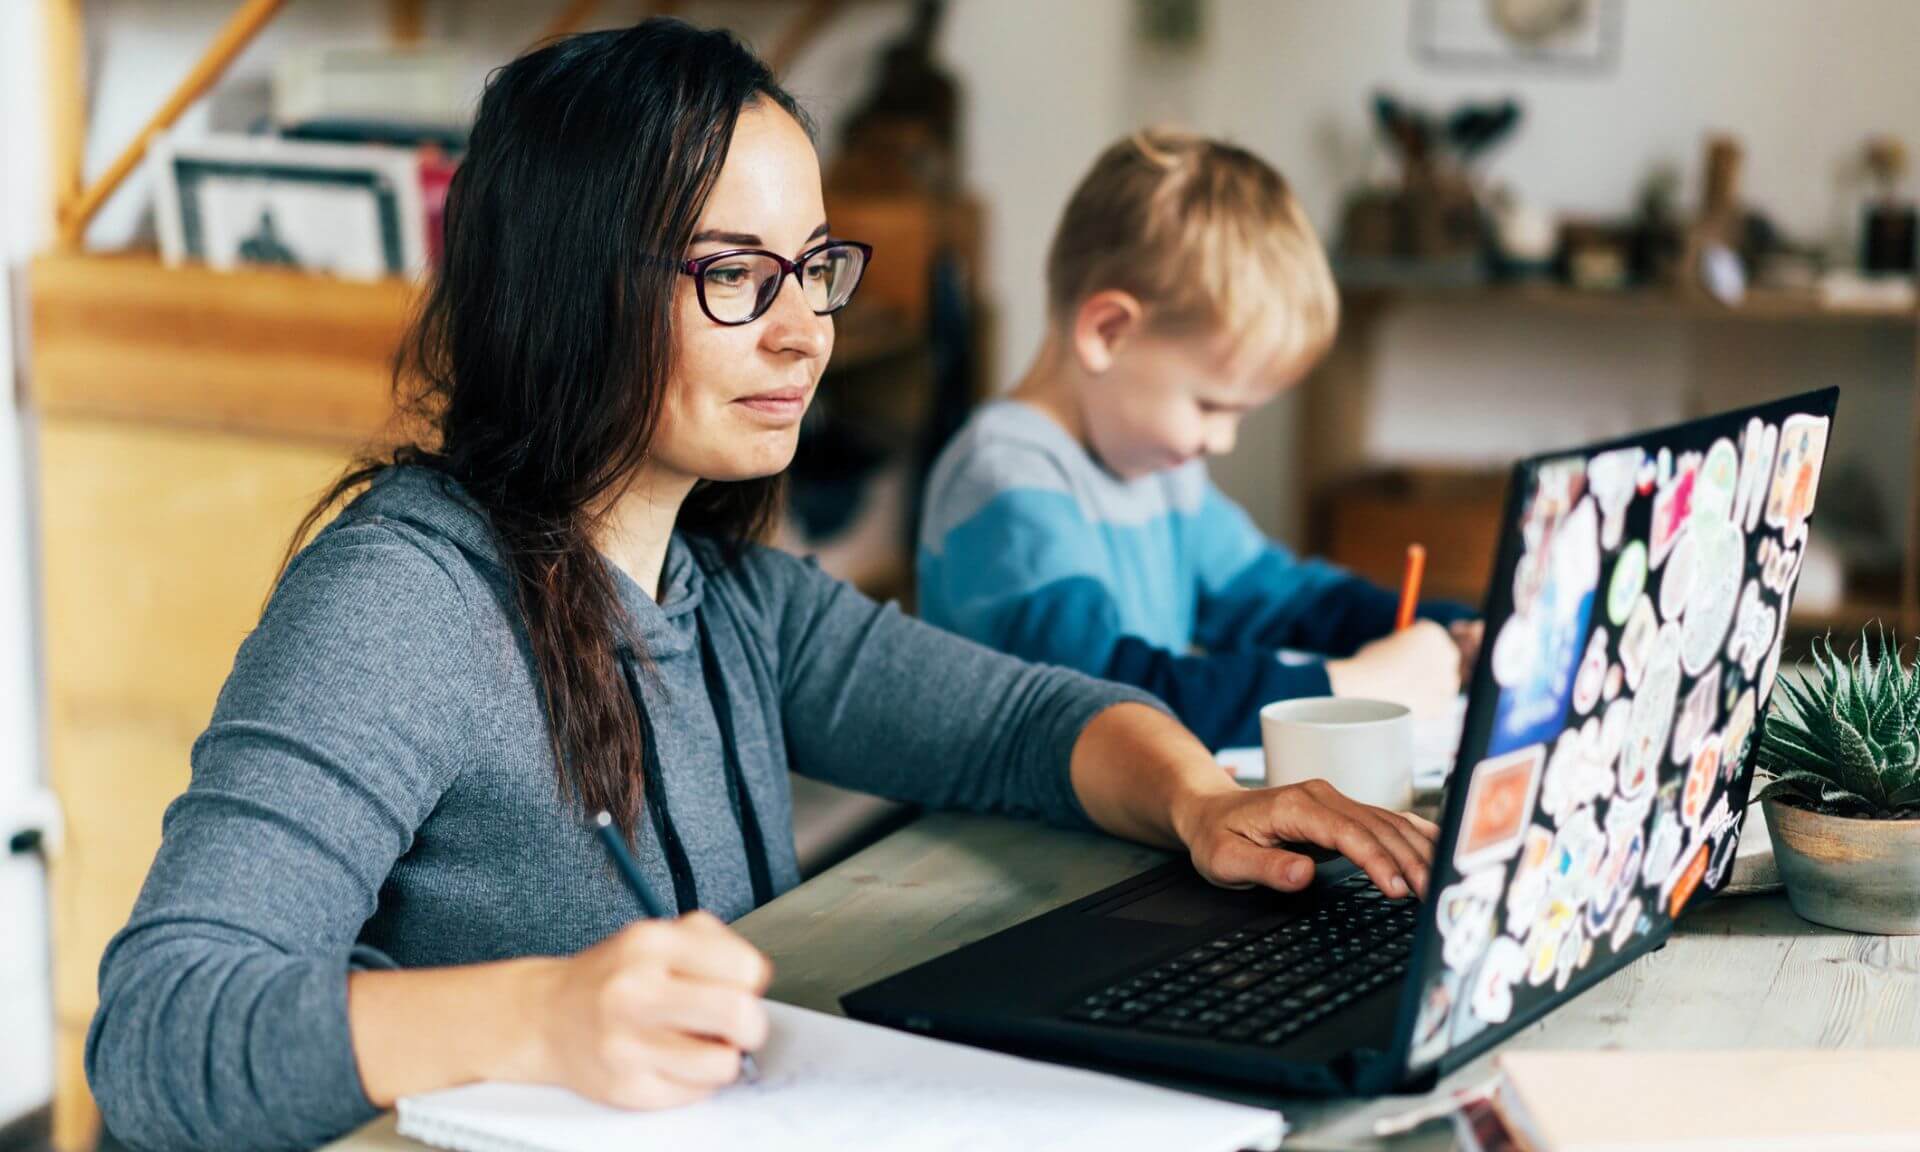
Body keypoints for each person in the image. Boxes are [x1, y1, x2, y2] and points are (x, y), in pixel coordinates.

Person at [86, 24, 1439, 1152]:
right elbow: (155, 1035)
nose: (804, 328)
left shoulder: (725, 591)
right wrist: (539, 1016)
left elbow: (1025, 720)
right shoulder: (401, 604)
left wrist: (1202, 800)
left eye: (813, 269)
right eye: (735, 275)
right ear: (569, 290)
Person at [917, 130, 1480, 750]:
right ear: (1108, 332)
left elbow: (1282, 599)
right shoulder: (1006, 481)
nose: (1224, 440)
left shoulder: (1158, 470)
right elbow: (1110, 699)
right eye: (1211, 405)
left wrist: (1452, 630)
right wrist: (1346, 686)